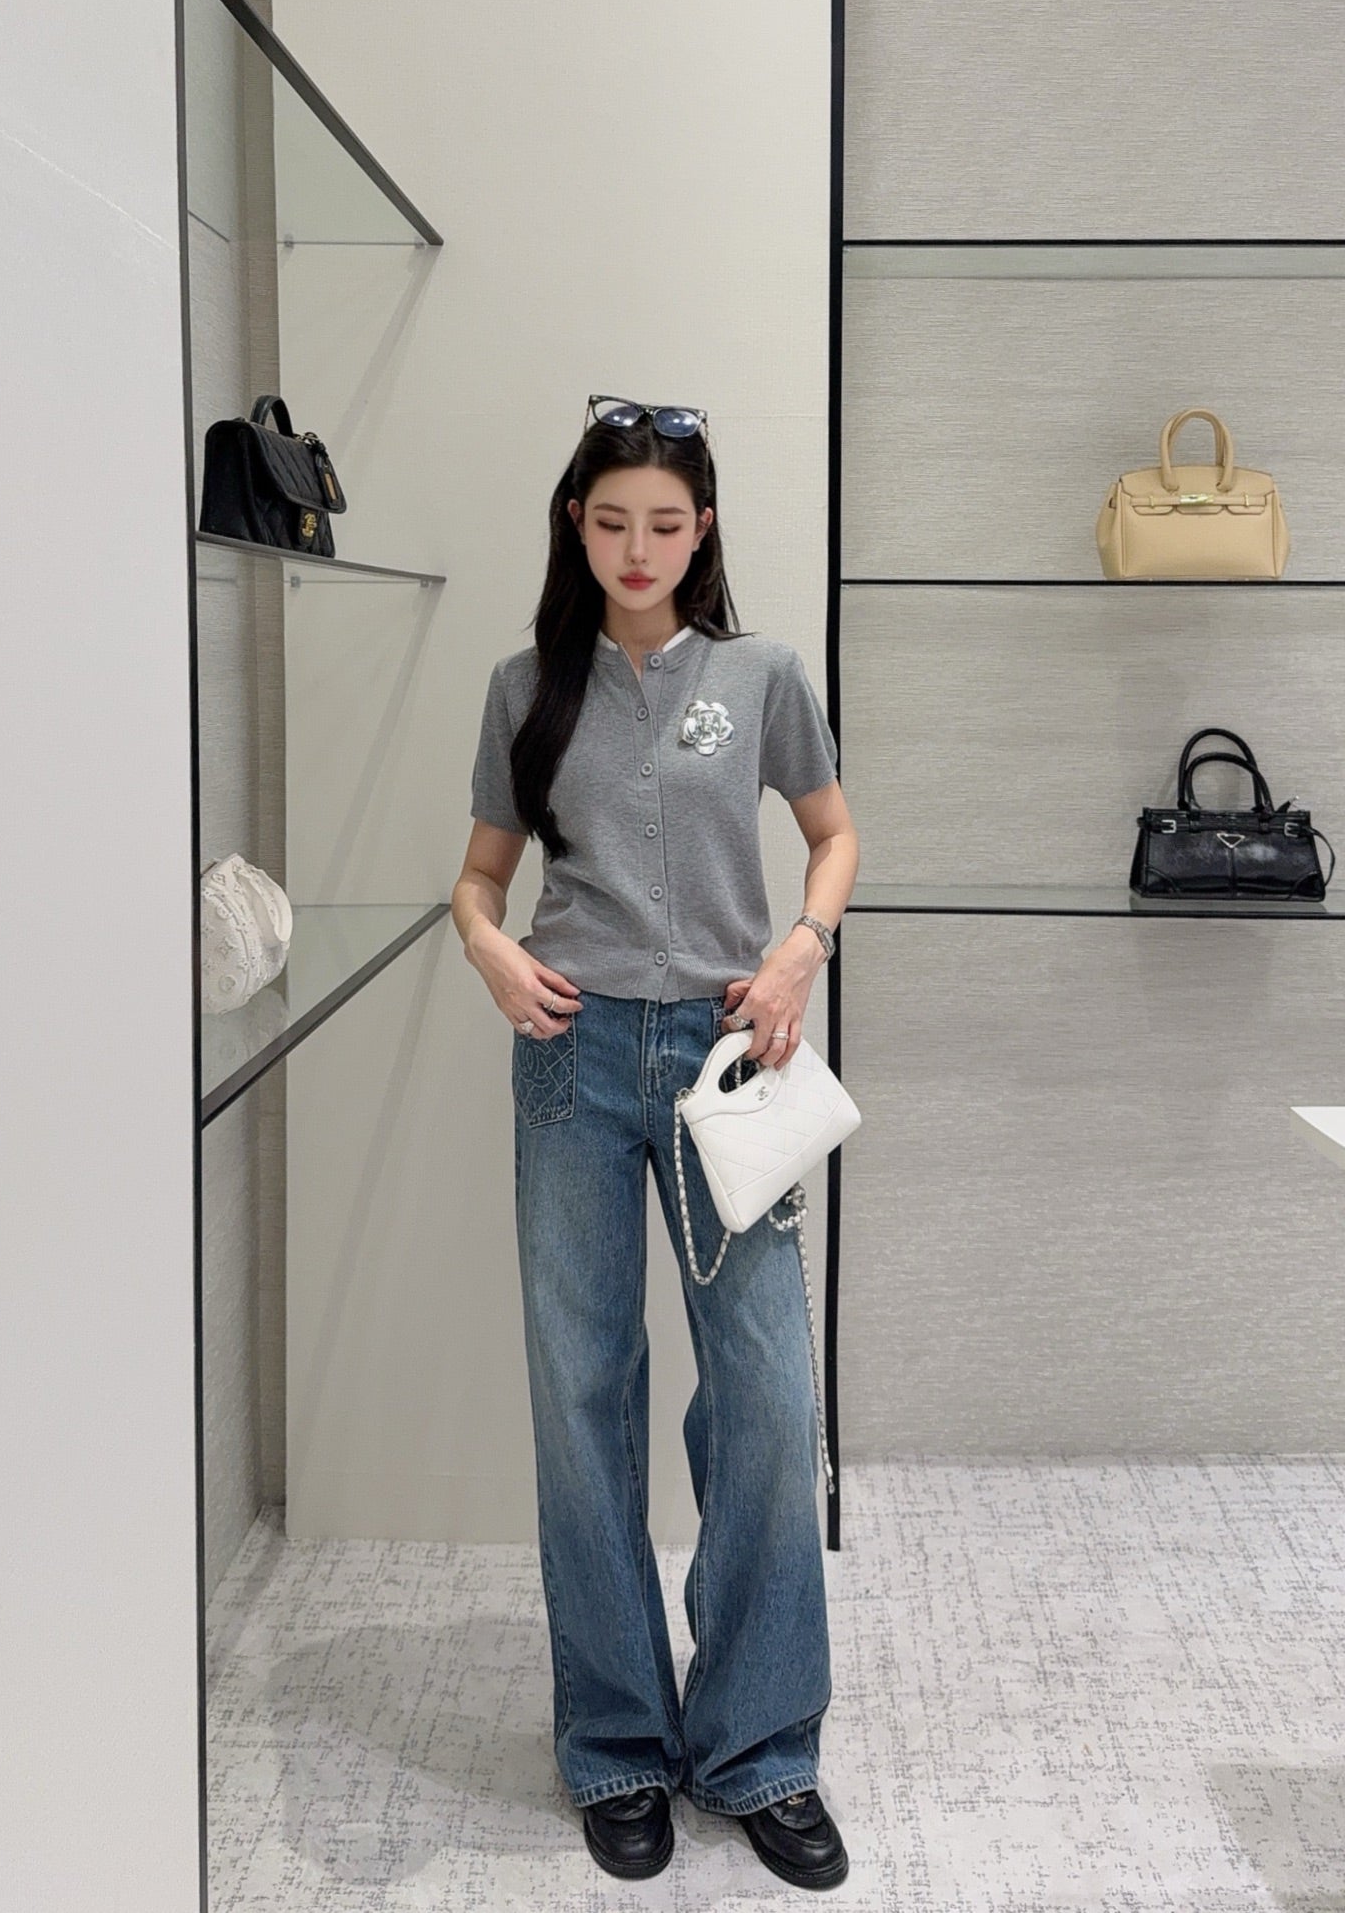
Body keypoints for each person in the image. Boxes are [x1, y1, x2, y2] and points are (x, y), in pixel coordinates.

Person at [450, 395, 860, 1891]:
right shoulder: (526, 686)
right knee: (584, 1394)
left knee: (764, 1398)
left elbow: (833, 833)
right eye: (613, 520)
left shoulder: (760, 675)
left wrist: (801, 948)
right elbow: (478, 880)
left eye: (667, 525)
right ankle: (618, 1741)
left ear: (704, 532)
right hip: (570, 1056)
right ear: (577, 524)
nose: (639, 549)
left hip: (727, 1057)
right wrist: (489, 950)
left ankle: (759, 1749)